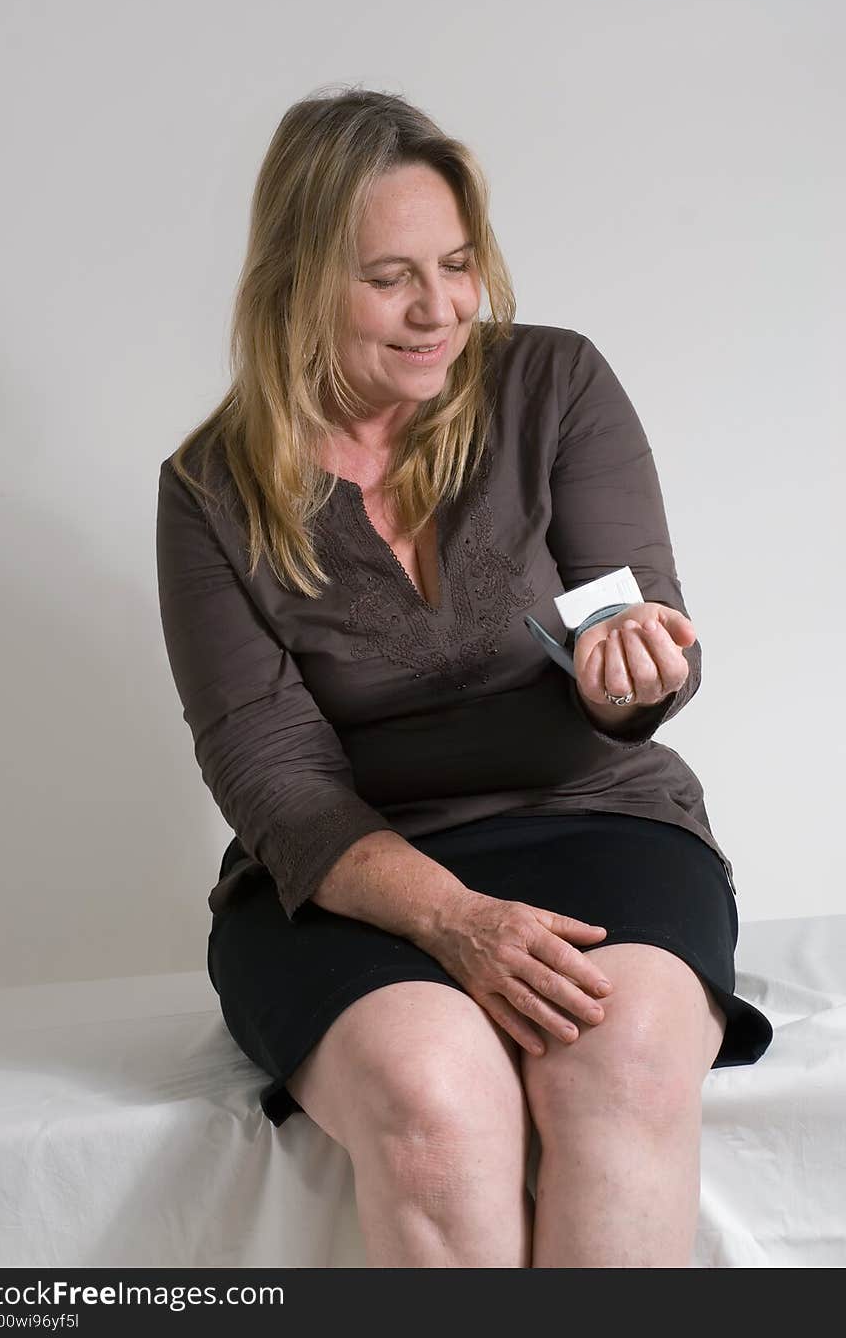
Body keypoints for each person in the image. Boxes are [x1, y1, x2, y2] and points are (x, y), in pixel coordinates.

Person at [155, 87, 773, 1268]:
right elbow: (269, 769)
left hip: (597, 821)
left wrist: (626, 673)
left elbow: (639, 626)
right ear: (297, 279)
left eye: (455, 263)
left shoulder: (555, 384)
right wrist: (456, 920)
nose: (438, 308)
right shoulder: (208, 489)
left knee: (623, 1065)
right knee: (437, 1110)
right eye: (388, 276)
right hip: (352, 873)